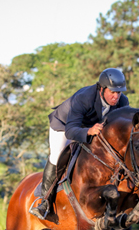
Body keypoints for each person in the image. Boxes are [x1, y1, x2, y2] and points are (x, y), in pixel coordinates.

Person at [29, 68, 129, 220]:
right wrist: (88, 131)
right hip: (64, 126)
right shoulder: (84, 98)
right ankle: (44, 202)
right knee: (57, 155)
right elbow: (70, 131)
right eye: (112, 92)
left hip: (92, 128)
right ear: (101, 89)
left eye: (119, 92)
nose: (116, 97)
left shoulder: (122, 102)